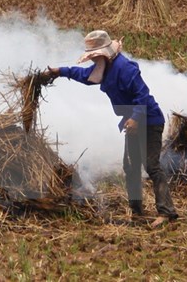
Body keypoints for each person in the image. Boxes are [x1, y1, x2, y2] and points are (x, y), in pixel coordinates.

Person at [41, 30, 178, 227]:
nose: (94, 59)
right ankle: (137, 212)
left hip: (149, 121)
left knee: (151, 166)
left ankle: (167, 213)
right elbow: (83, 74)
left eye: (96, 55)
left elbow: (143, 96)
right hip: (131, 122)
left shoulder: (126, 68)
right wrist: (59, 71)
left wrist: (136, 118)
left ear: (105, 53)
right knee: (130, 167)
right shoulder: (102, 67)